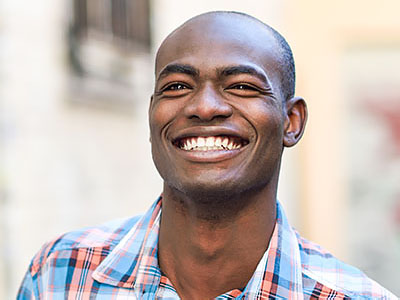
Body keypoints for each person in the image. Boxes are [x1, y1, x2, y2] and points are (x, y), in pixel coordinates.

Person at [17, 11, 396, 299]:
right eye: (178, 86)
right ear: (151, 114)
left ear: (291, 121)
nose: (204, 106)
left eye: (242, 86)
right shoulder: (60, 274)